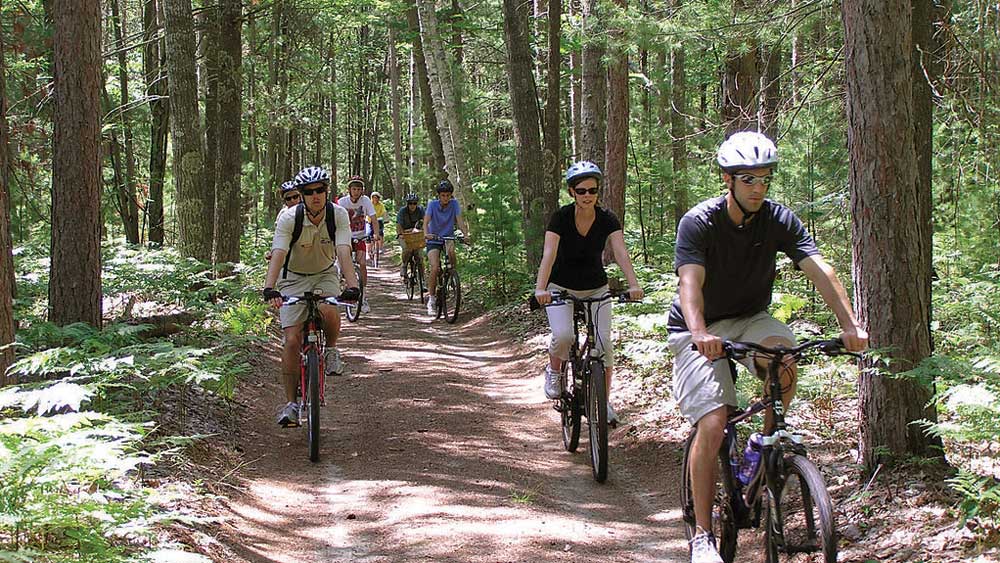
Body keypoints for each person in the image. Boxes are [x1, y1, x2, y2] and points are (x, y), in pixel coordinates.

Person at [667, 131, 868, 563]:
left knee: (785, 357)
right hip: (696, 325)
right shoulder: (699, 222)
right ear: (728, 180)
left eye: (764, 179)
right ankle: (702, 536)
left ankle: (762, 444)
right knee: (714, 420)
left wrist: (850, 326)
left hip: (750, 318)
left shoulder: (778, 218)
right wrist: (701, 334)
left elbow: (819, 269)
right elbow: (690, 284)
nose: (758, 188)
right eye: (748, 180)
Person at [533, 161, 643, 426]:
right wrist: (540, 288)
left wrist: (634, 284)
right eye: (581, 191)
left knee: (604, 345)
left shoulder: (607, 218)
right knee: (564, 336)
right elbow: (549, 254)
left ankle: (603, 403)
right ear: (571, 192)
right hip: (560, 287)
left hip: (596, 287)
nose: (587, 196)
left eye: (592, 190)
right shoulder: (560, 218)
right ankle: (555, 372)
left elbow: (620, 252)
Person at [262, 166, 361, 427]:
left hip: (324, 273)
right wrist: (269, 287)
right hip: (291, 276)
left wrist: (352, 285)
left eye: (320, 190)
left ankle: (331, 350)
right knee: (292, 339)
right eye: (308, 192)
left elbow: (343, 250)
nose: (315, 195)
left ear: (327, 191)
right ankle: (291, 404)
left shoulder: (337, 215)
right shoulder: (289, 219)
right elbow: (279, 253)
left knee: (330, 308)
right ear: (301, 194)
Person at [424, 179, 471, 316]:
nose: (445, 198)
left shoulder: (454, 204)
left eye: (448, 195)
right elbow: (426, 222)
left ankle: (451, 276)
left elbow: (460, 221)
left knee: (451, 252)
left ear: (451, 195)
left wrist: (465, 234)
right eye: (443, 195)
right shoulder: (432, 205)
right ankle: (431, 299)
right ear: (439, 195)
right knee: (435, 267)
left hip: (448, 237)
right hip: (434, 238)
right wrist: (427, 234)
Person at [337, 175, 378, 314]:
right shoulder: (342, 202)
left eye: (359, 189)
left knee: (362, 263)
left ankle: (363, 295)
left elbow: (373, 218)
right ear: (349, 190)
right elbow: (335, 219)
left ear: (362, 191)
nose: (356, 191)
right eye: (354, 189)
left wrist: (376, 234)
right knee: (342, 263)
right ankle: (339, 286)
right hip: (345, 237)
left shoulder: (366, 201)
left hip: (360, 236)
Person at [265, 181, 301, 262]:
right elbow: (278, 236)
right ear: (284, 200)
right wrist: (273, 252)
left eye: (295, 196)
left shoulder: (309, 211)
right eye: (288, 198)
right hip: (289, 255)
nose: (292, 200)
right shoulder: (283, 215)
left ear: (300, 196)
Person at [396, 193, 426, 283]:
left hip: (417, 235)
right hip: (405, 234)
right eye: (410, 203)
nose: (412, 205)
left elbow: (426, 221)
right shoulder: (402, 211)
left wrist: (426, 231)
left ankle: (422, 279)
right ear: (407, 204)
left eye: (414, 203)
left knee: (420, 257)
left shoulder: (420, 210)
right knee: (407, 249)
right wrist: (401, 234)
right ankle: (404, 265)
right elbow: (398, 225)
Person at [369, 191, 388, 264]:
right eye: (373, 198)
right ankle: (369, 249)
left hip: (378, 220)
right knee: (368, 234)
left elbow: (384, 212)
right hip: (369, 221)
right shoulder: (369, 204)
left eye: (376, 198)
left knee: (380, 233)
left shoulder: (381, 205)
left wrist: (386, 218)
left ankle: (380, 248)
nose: (375, 199)